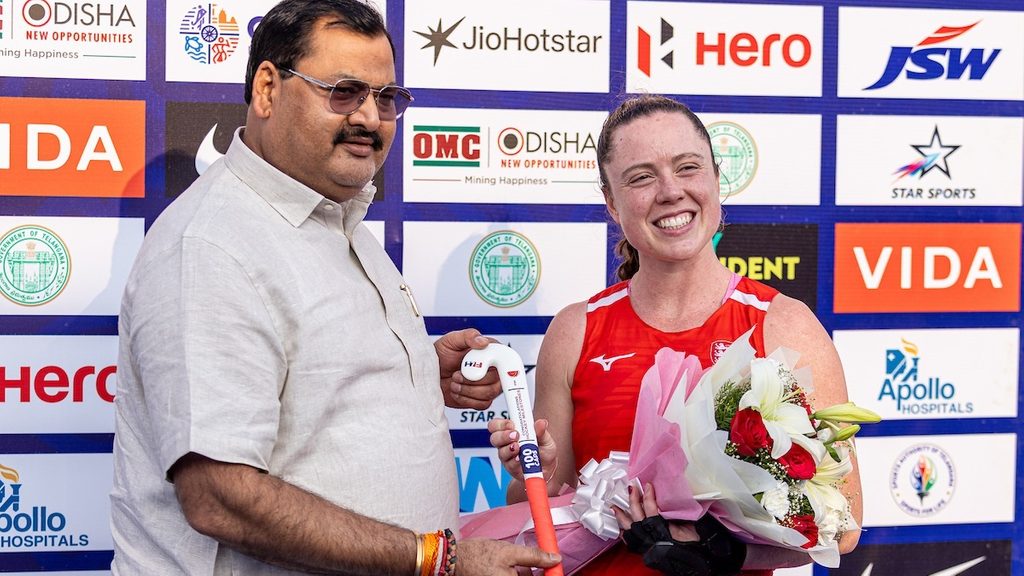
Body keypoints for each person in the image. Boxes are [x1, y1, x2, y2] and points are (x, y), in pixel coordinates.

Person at [109, 1, 561, 574]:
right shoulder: (212, 246)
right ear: (267, 89)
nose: (370, 117)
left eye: (386, 98)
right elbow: (220, 494)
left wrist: (417, 373)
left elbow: (308, 388)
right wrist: (438, 559)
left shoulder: (336, 220)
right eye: (344, 92)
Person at [489, 95, 863, 575]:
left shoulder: (783, 325)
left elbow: (843, 527)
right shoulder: (576, 330)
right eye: (641, 177)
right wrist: (534, 473)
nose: (670, 191)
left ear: (716, 179)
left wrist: (726, 552)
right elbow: (540, 515)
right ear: (611, 202)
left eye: (687, 168)